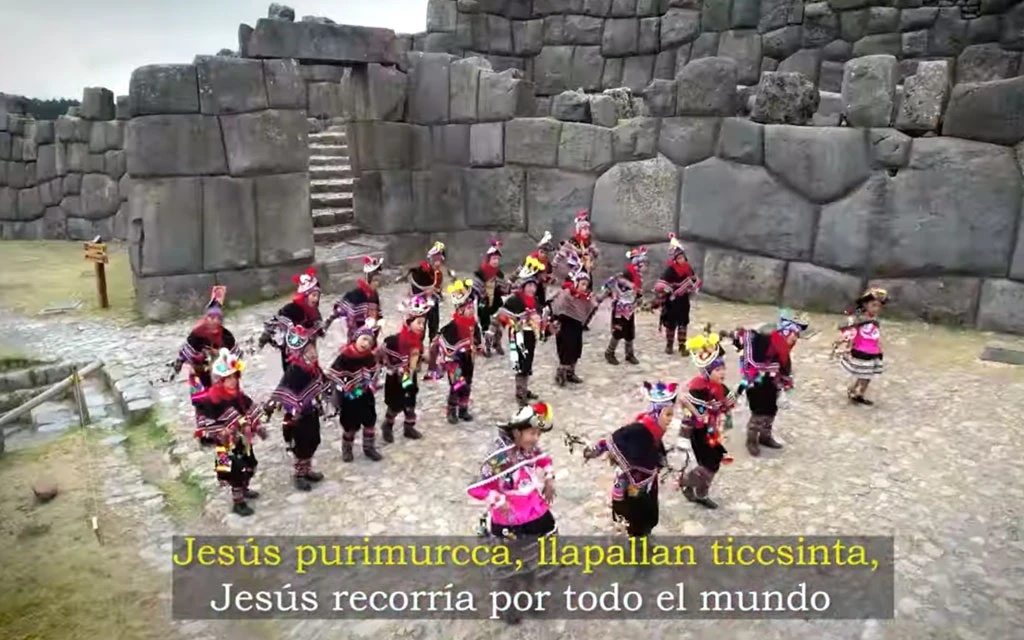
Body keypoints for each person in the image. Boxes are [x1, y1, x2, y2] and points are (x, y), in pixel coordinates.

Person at [467, 402, 557, 625]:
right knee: (508, 567)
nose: (536, 438)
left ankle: (530, 596)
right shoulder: (498, 457)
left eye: (538, 433)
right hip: (509, 521)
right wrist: (498, 500)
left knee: (536, 559)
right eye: (532, 433)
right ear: (517, 432)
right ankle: (508, 606)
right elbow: (476, 488)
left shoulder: (529, 448)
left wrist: (549, 478)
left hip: (536, 514)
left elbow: (544, 458)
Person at [583, 381, 676, 538]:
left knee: (648, 513)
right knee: (635, 515)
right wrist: (595, 450)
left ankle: (643, 532)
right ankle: (636, 540)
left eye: (671, 414)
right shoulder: (639, 429)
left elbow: (655, 451)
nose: (671, 419)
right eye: (667, 414)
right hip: (632, 482)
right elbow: (615, 439)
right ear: (656, 413)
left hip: (647, 481)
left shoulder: (655, 430)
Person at [193, 349, 265, 517]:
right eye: (229, 378)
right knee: (234, 471)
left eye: (235, 377)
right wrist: (225, 431)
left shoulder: (239, 395)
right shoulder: (213, 399)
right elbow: (209, 423)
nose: (232, 381)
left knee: (249, 464)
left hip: (242, 441)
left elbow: (250, 410)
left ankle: (244, 489)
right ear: (221, 380)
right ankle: (238, 502)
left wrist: (256, 425)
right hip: (225, 444)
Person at [730, 309, 809, 457]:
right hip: (757, 382)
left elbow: (785, 366)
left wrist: (784, 382)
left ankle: (765, 436)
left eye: (797, 335)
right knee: (759, 411)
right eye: (794, 334)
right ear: (786, 331)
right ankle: (751, 440)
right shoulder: (764, 340)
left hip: (772, 382)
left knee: (772, 409)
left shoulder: (782, 347)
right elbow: (749, 357)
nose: (795, 338)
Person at [174, 287, 244, 445]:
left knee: (220, 401)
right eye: (210, 317)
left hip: (219, 376)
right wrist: (180, 362)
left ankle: (221, 431)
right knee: (202, 403)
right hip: (200, 375)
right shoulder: (197, 335)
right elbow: (186, 352)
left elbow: (236, 356)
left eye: (217, 318)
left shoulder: (226, 336)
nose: (213, 321)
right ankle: (207, 434)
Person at [678, 329, 735, 509]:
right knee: (709, 464)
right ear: (708, 371)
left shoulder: (721, 387)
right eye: (718, 369)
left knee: (715, 461)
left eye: (723, 368)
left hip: (711, 430)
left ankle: (701, 493)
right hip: (698, 432)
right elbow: (687, 408)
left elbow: (725, 404)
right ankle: (687, 481)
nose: (722, 372)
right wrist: (684, 436)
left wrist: (728, 410)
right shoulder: (698, 388)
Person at [267, 326, 327, 491]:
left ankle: (307, 470)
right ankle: (299, 474)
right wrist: (294, 409)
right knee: (302, 444)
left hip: (311, 411)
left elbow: (322, 382)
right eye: (308, 350)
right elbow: (285, 391)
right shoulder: (294, 371)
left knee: (314, 439)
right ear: (300, 353)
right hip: (298, 416)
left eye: (313, 348)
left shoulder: (313, 368)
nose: (313, 353)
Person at [327, 318, 384, 462]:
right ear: (356, 338)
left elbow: (372, 372)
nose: (366, 344)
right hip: (349, 396)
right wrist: (346, 386)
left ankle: (369, 448)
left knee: (369, 420)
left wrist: (368, 383)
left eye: (370, 342)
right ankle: (347, 449)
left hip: (364, 393)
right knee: (350, 424)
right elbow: (333, 374)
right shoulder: (345, 356)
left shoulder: (369, 357)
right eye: (364, 339)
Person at [381, 294, 434, 442]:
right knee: (395, 404)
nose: (422, 327)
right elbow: (382, 355)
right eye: (419, 323)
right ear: (408, 322)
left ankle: (409, 427)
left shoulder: (417, 341)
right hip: (396, 378)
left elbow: (417, 357)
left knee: (410, 400)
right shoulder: (394, 342)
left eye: (423, 324)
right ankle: (387, 425)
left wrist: (425, 359)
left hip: (409, 376)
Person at [496, 256, 547, 406]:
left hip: (530, 336)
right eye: (529, 285)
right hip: (518, 335)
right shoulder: (515, 300)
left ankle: (524, 388)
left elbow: (540, 318)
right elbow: (501, 315)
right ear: (523, 286)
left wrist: (545, 325)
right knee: (521, 363)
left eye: (534, 286)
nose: (532, 289)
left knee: (528, 362)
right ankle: (520, 392)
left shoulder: (536, 302)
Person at [259, 268, 326, 372]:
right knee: (293, 374)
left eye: (318, 296)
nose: (316, 299)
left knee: (312, 371)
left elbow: (319, 327)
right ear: (305, 295)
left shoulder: (314, 312)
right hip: (291, 351)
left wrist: (318, 329)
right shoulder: (291, 308)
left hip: (309, 350)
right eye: (313, 295)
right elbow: (277, 320)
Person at [434, 279, 478, 424]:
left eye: (472, 307)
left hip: (468, 358)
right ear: (460, 310)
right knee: (457, 385)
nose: (472, 310)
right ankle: (451, 411)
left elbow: (477, 339)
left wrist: (479, 346)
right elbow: (444, 343)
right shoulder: (452, 327)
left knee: (467, 384)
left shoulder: (473, 324)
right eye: (469, 308)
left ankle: (463, 409)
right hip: (454, 360)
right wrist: (449, 359)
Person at [596, 246, 648, 366]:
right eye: (643, 263)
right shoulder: (626, 274)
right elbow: (612, 284)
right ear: (637, 263)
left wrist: (639, 299)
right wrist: (602, 297)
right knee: (618, 330)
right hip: (620, 308)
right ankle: (609, 352)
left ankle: (629, 354)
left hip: (630, 308)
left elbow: (638, 290)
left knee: (630, 331)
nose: (645, 266)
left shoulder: (638, 277)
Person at [836, 288, 888, 406]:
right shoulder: (857, 319)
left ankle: (858, 393)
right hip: (861, 351)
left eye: (879, 306)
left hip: (874, 351)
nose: (876, 309)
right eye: (873, 305)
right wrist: (848, 345)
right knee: (864, 374)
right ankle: (855, 391)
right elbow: (847, 331)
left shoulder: (875, 320)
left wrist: (879, 347)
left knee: (867, 375)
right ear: (865, 304)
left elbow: (875, 335)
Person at [653, 234, 701, 356]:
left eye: (683, 257)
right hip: (672, 301)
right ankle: (669, 345)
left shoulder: (688, 268)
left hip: (683, 300)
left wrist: (691, 287)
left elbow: (694, 280)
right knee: (671, 324)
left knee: (683, 323)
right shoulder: (670, 270)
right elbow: (660, 284)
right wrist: (668, 290)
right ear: (675, 259)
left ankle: (682, 346)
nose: (682, 260)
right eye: (679, 258)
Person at [549, 266, 597, 386]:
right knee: (566, 350)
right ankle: (561, 375)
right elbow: (557, 307)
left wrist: (595, 299)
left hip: (576, 326)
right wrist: (556, 320)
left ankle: (571, 373)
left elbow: (589, 309)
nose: (584, 287)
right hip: (565, 326)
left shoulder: (585, 298)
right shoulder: (566, 294)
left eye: (586, 285)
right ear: (576, 283)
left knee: (576, 349)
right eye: (582, 284)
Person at [399, 241, 451, 343]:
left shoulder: (438, 274)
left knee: (434, 324)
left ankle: (432, 344)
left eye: (440, 260)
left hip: (433, 301)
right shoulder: (422, 272)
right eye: (436, 260)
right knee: (419, 325)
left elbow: (438, 287)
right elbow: (415, 288)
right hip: (420, 302)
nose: (438, 263)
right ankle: (417, 346)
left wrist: (438, 292)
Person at [331, 256, 384, 343]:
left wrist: (380, 320)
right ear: (368, 279)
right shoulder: (355, 295)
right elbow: (341, 309)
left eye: (378, 281)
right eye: (375, 280)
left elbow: (378, 312)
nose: (377, 283)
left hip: (372, 335)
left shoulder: (374, 295)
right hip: (356, 336)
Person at [473, 239, 511, 357]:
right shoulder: (480, 272)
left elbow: (505, 287)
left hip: (496, 301)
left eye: (497, 259)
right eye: (493, 259)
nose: (495, 261)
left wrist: (507, 286)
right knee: (486, 325)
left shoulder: (499, 273)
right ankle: (487, 346)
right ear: (488, 259)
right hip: (484, 302)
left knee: (499, 323)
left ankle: (497, 342)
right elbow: (476, 288)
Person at [554, 210, 599, 281]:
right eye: (584, 229)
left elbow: (595, 256)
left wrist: (590, 262)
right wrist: (554, 265)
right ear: (579, 231)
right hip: (572, 274)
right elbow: (559, 256)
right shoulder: (571, 243)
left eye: (588, 229)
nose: (587, 232)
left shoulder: (589, 244)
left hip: (586, 275)